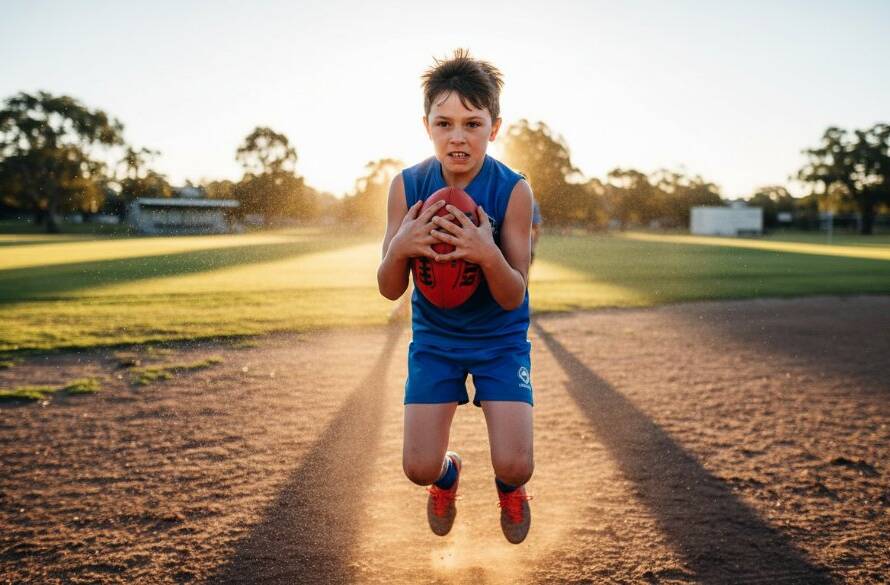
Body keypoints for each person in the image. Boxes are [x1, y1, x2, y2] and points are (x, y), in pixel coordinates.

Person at [377, 49, 535, 544]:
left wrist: (486, 253)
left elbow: (514, 296)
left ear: (495, 127)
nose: (458, 136)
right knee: (418, 467)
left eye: (473, 122)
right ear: (426, 126)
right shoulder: (407, 186)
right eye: (444, 122)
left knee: (516, 463)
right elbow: (388, 287)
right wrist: (401, 246)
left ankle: (509, 488)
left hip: (499, 339)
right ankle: (447, 476)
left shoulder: (513, 190)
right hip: (436, 340)